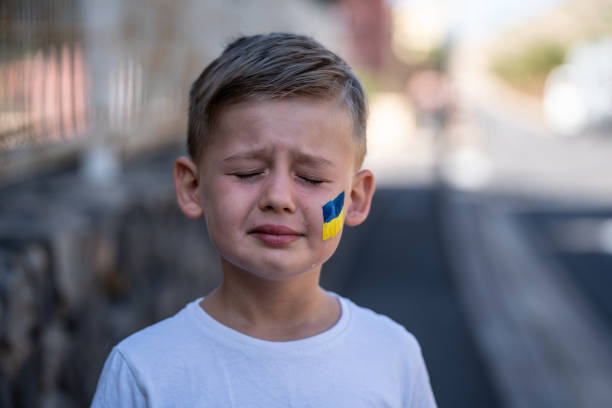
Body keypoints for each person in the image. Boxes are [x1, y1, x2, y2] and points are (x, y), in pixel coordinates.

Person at [91, 32, 437, 407]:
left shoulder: (393, 356)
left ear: (355, 199)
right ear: (193, 187)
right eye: (247, 172)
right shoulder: (144, 372)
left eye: (311, 178)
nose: (278, 198)